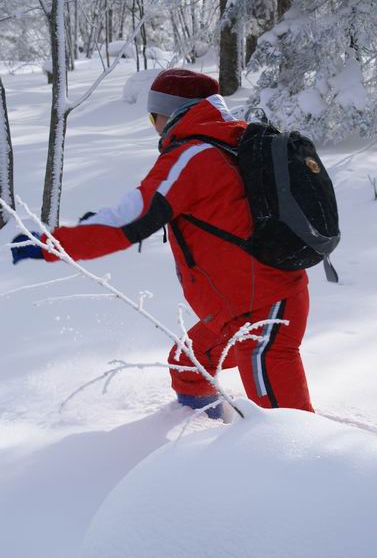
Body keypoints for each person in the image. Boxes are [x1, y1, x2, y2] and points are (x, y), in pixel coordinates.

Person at [11, 69, 314, 419]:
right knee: (188, 367)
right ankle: (198, 438)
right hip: (243, 306)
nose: (152, 126)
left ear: (168, 114)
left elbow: (131, 220)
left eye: (152, 117)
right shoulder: (233, 138)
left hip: (263, 310)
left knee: (286, 426)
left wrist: (51, 244)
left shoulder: (193, 154)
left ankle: (305, 469)